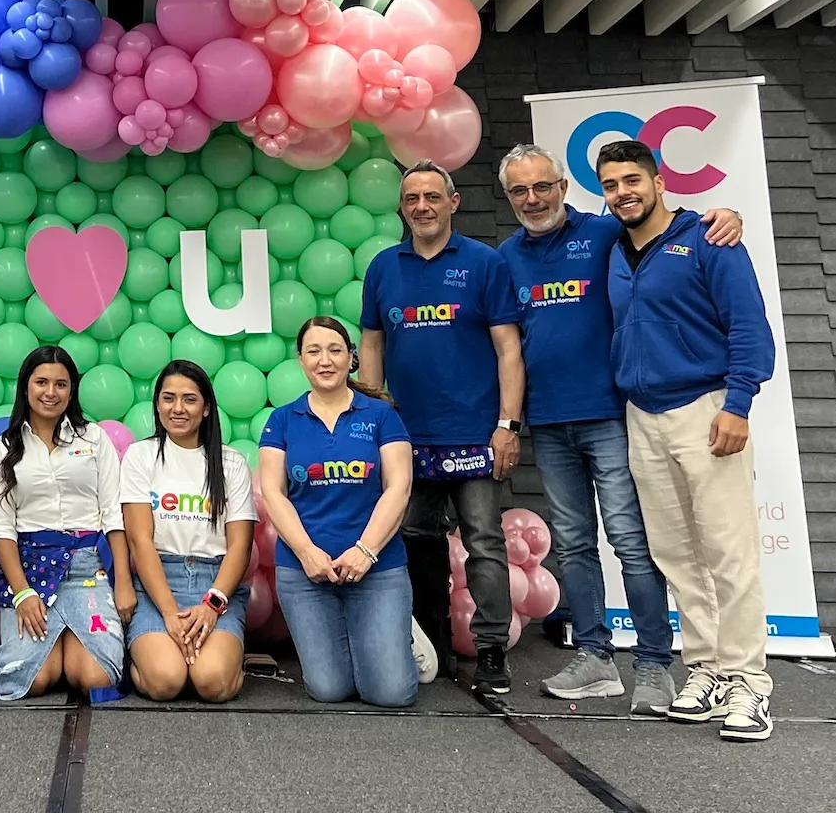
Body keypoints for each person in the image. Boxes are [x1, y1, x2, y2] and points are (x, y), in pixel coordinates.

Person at [497, 143, 742, 714]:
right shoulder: (506, 256)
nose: (533, 199)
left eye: (542, 186)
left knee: (632, 541)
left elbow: (667, 226)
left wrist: (728, 215)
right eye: (519, 191)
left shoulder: (606, 232)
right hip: (549, 421)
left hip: (612, 415)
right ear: (508, 197)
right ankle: (595, 660)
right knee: (575, 544)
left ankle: (654, 665)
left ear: (563, 187)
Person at [600, 139, 776, 742]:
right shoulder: (614, 249)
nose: (622, 192)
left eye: (632, 180)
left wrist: (738, 403)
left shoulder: (709, 237)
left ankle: (749, 682)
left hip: (706, 409)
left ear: (657, 182)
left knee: (729, 551)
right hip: (642, 415)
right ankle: (707, 668)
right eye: (611, 185)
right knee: (678, 554)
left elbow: (749, 325)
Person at [358, 159, 525, 695]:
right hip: (407, 436)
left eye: (433, 196)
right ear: (401, 208)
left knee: (484, 541)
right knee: (414, 540)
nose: (422, 207)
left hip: (475, 433)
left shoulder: (485, 263)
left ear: (454, 202)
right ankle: (432, 643)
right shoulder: (383, 267)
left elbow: (508, 349)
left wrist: (507, 424)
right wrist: (373, 417)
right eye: (412, 199)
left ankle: (491, 649)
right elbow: (372, 344)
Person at [257, 317, 419, 708]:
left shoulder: (381, 415)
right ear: (301, 360)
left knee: (391, 693)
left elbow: (399, 488)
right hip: (305, 572)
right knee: (328, 690)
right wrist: (306, 552)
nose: (324, 360)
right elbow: (273, 493)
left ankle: (400, 639)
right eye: (313, 351)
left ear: (351, 357)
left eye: (334, 350)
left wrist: (365, 551)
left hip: (377, 569)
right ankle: (375, 646)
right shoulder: (281, 420)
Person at [0, 347, 131, 701]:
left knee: (97, 677)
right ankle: (54, 644)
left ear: (71, 390)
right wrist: (22, 593)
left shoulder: (93, 438)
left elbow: (113, 513)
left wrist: (124, 583)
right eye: (42, 382)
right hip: (30, 570)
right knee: (29, 680)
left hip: (87, 569)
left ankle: (68, 638)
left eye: (61, 384)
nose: (51, 392)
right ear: (25, 386)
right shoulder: (5, 448)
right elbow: (1, 528)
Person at [121, 361, 255, 703]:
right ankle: (143, 657)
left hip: (215, 584)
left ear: (206, 407)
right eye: (168, 398)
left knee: (211, 683)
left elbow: (240, 546)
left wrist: (212, 605)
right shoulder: (140, 455)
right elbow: (140, 541)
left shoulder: (231, 463)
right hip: (157, 583)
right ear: (157, 404)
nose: (177, 408)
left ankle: (227, 661)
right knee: (166, 681)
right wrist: (169, 612)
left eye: (189, 399)